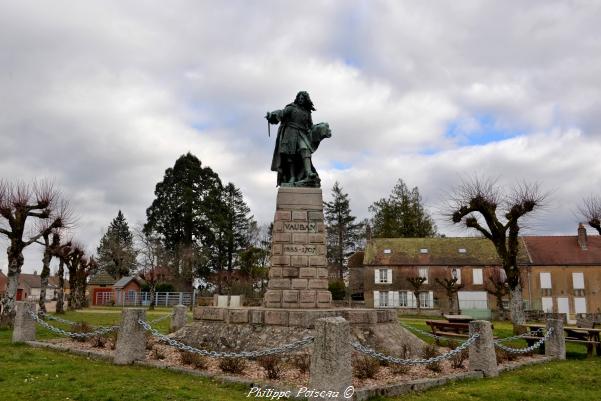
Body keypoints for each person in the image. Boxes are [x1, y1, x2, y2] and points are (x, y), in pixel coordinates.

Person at [267, 91, 318, 186]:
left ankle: (308, 173)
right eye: (300, 98)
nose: (301, 100)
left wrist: (318, 129)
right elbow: (281, 113)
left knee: (305, 149)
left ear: (306, 100)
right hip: (290, 133)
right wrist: (272, 116)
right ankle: (292, 176)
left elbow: (310, 125)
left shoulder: (307, 112)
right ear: (297, 98)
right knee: (291, 156)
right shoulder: (291, 108)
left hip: (302, 134)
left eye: (303, 98)